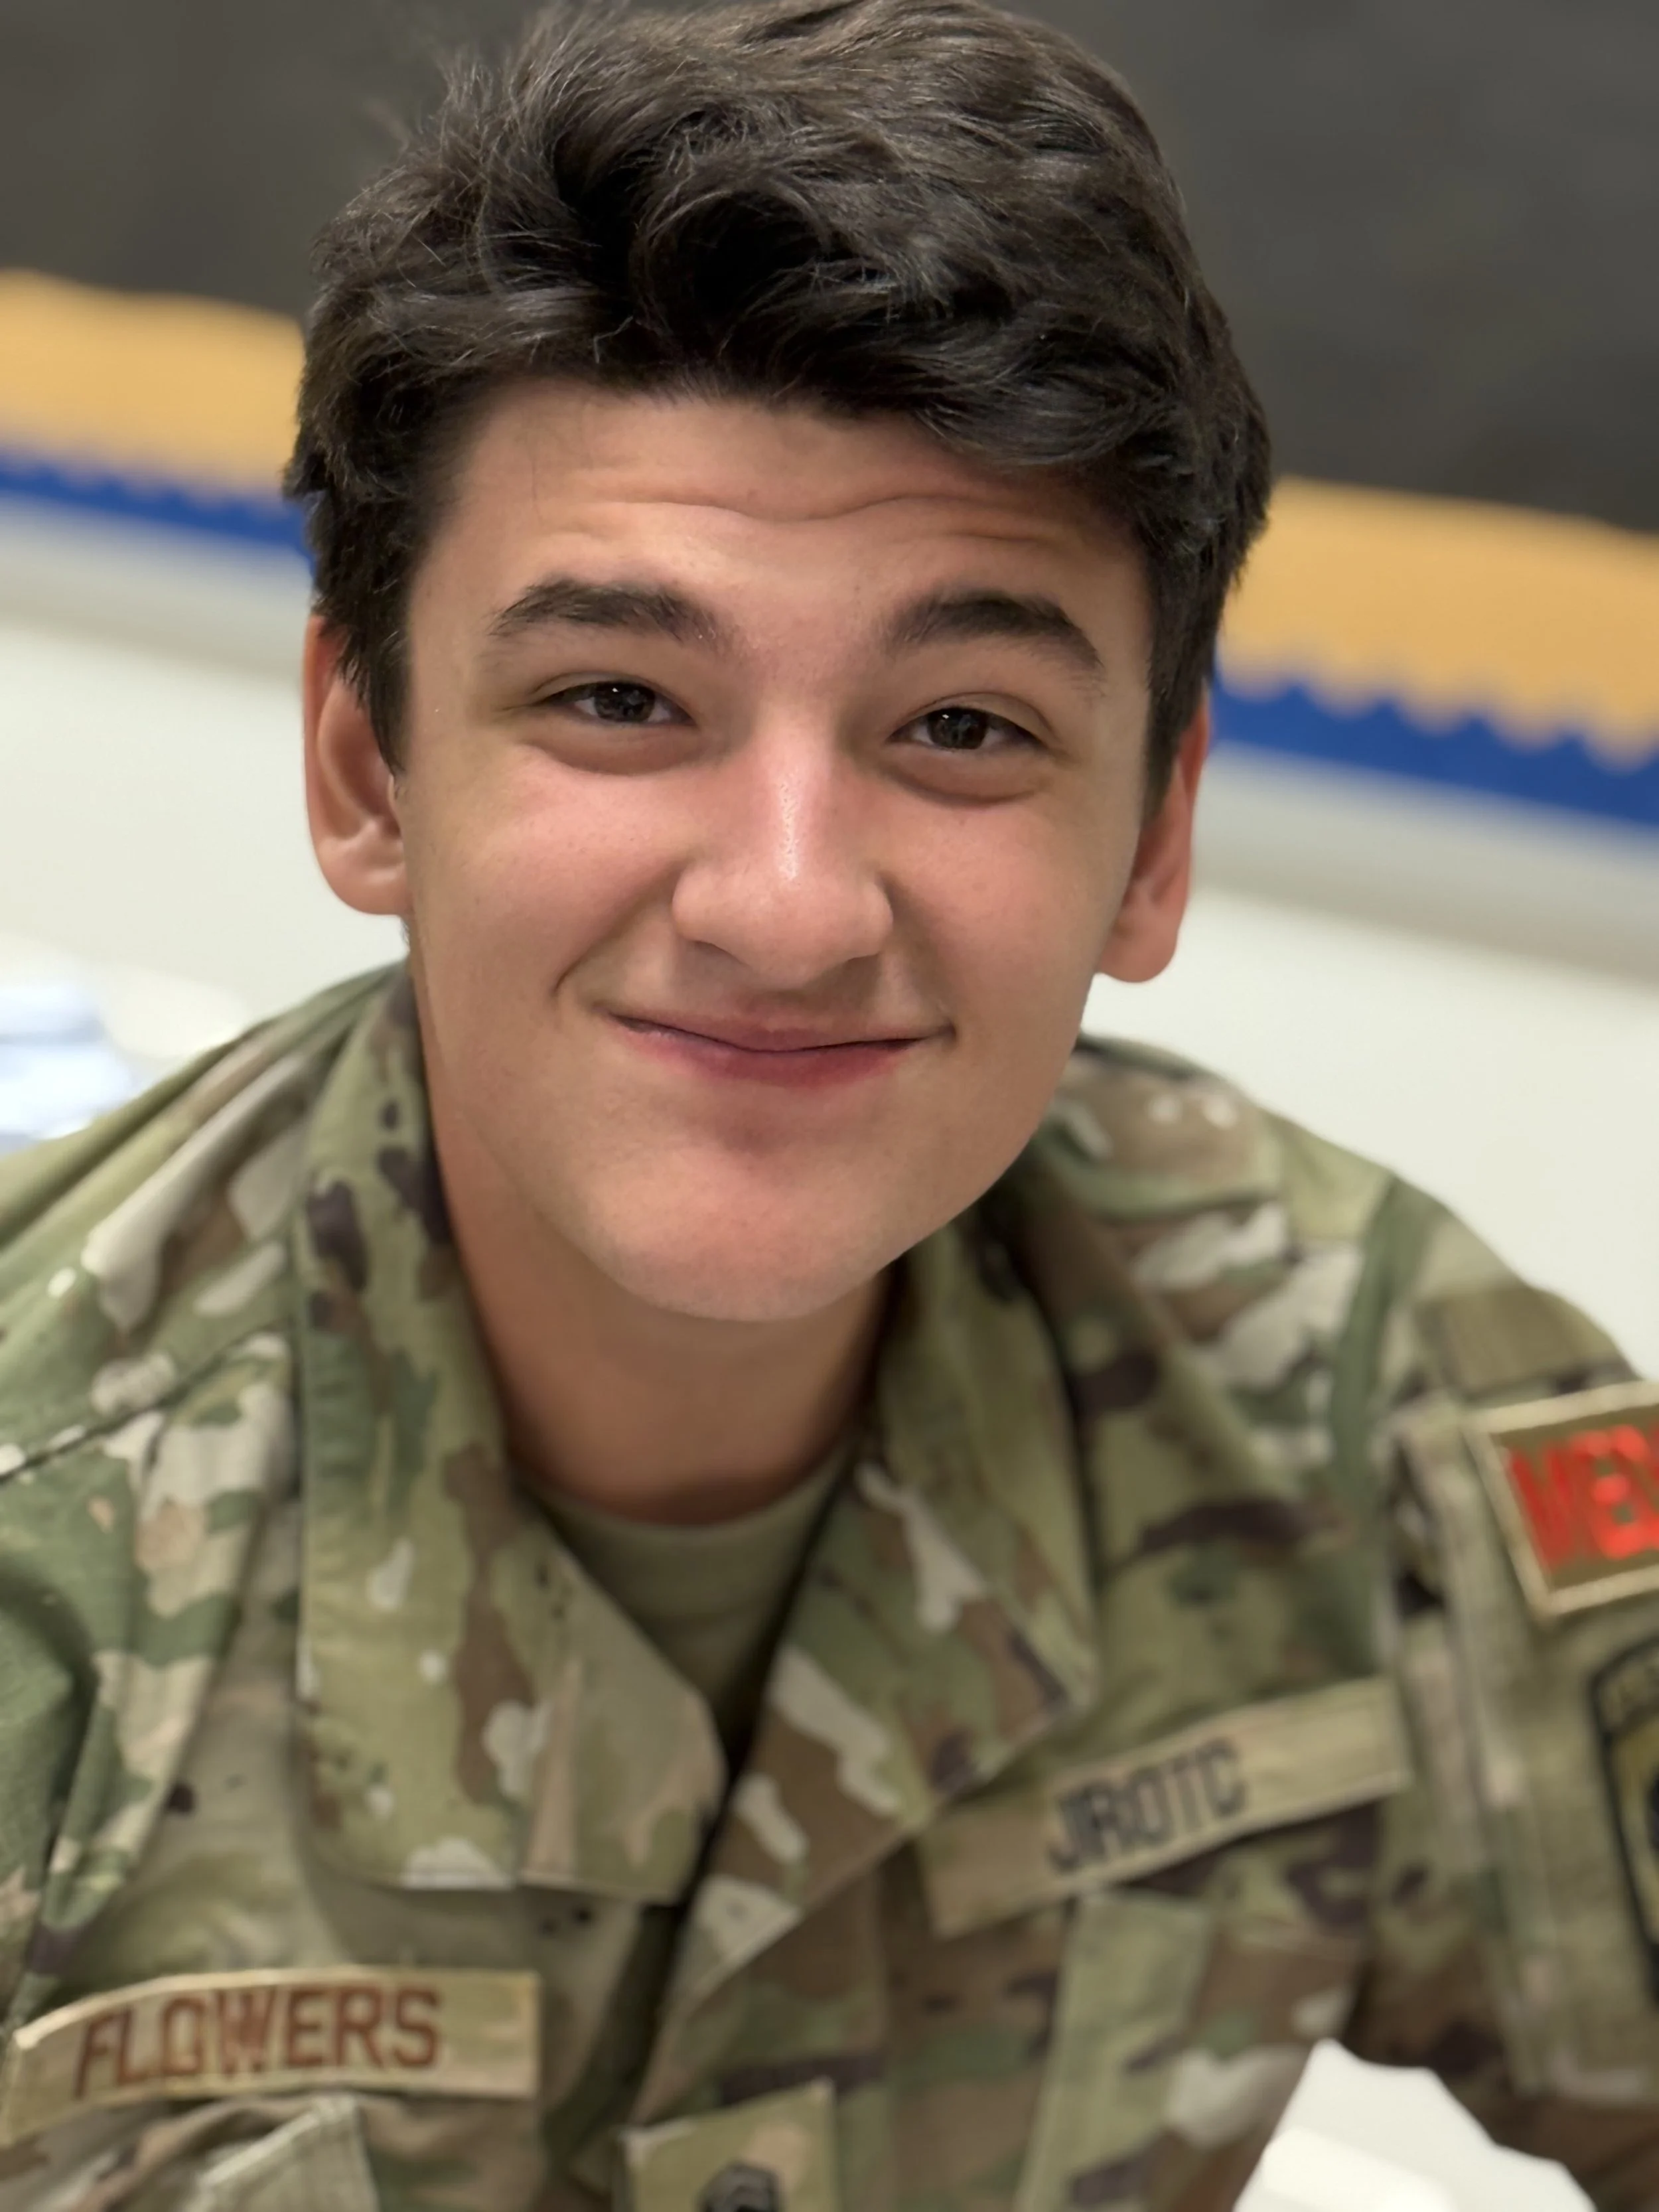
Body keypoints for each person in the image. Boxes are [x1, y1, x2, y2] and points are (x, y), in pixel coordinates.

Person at [1, 2, 1657, 2206]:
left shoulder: (1358, 1400)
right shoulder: (49, 1533)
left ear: (1152, 838)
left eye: (961, 726)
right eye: (618, 696)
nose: (787, 906)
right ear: (366, 764)